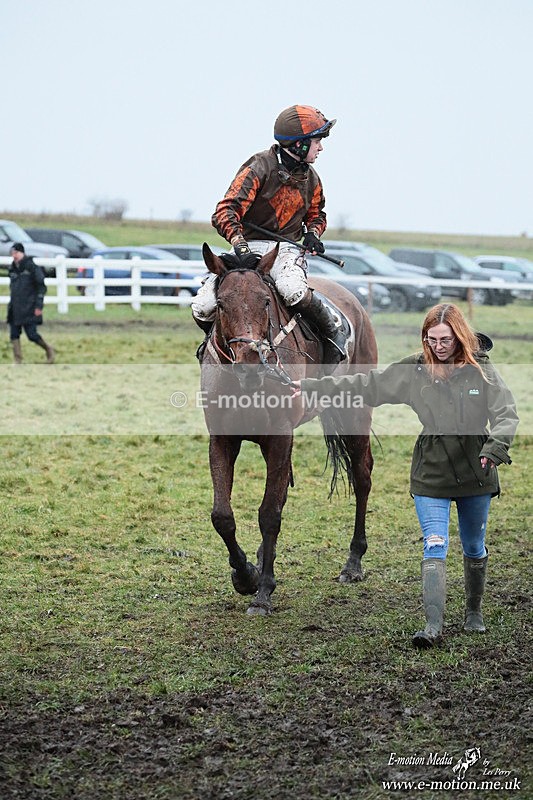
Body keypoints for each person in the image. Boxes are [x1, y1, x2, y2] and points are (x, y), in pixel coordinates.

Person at [291, 303, 518, 649]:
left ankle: (474, 613)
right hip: (430, 470)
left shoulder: (482, 372)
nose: (438, 347)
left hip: (478, 469)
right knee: (435, 544)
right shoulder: (415, 369)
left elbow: (506, 414)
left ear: (460, 337)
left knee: (473, 546)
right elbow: (369, 384)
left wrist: (494, 449)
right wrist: (314, 388)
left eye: (445, 340)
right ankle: (433, 625)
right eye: (432, 340)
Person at [192, 104, 347, 364]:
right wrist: (239, 242)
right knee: (203, 305)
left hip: (284, 251)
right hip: (246, 249)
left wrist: (313, 234)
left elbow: (317, 215)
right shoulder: (258, 167)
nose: (321, 148)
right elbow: (225, 212)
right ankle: (215, 354)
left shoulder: (313, 178)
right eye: (317, 141)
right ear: (299, 144)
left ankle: (333, 336)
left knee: (293, 290)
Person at [7, 243, 55, 364]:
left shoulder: (32, 268)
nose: (14, 256)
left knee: (32, 335)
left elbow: (41, 287)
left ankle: (48, 349)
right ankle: (18, 360)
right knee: (14, 334)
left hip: (29, 306)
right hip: (15, 306)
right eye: (13, 253)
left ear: (22, 253)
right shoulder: (12, 269)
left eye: (16, 253)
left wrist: (39, 305)